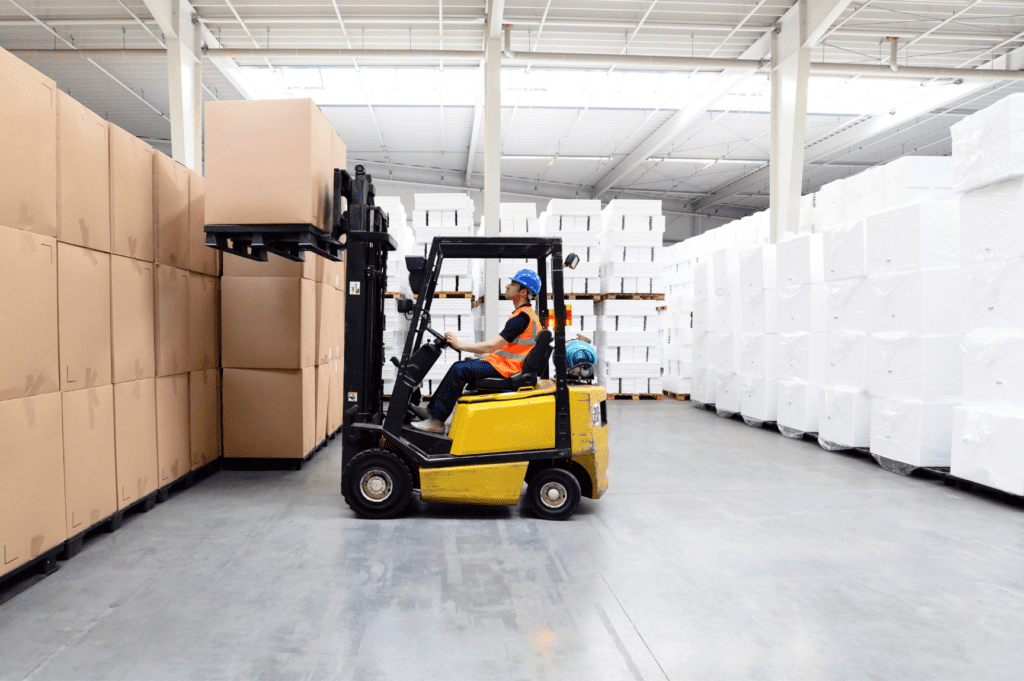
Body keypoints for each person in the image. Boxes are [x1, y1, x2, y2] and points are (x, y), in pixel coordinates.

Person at [411, 269, 542, 434]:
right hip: (507, 365)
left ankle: (437, 422)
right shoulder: (524, 315)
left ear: (522, 292)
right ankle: (432, 412)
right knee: (461, 366)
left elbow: (492, 346)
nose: (507, 286)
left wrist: (460, 345)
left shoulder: (521, 318)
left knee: (459, 369)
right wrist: (481, 358)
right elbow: (508, 349)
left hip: (508, 369)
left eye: (513, 284)